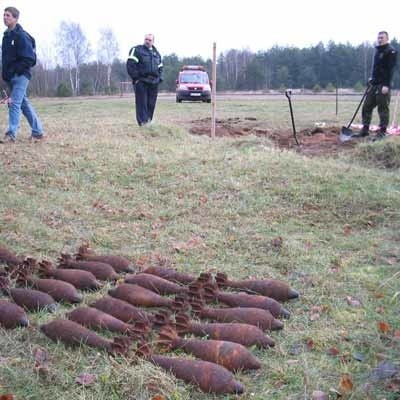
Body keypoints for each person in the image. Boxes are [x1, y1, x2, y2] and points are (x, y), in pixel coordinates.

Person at [1, 6, 43, 144]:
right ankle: (38, 132)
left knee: (14, 103)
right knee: (23, 104)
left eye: (8, 15)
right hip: (11, 77)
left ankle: (11, 134)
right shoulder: (6, 37)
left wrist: (16, 71)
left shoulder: (22, 36)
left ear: (15, 18)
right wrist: (6, 75)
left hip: (21, 76)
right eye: (4, 15)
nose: (5, 17)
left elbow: (29, 59)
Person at [355, 31, 397, 141]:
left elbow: (390, 70)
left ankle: (382, 132)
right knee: (367, 106)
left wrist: (387, 85)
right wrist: (371, 78)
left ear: (387, 38)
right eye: (378, 37)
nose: (379, 39)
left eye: (382, 37)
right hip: (374, 84)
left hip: (383, 85)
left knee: (382, 108)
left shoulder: (391, 51)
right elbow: (376, 68)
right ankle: (365, 129)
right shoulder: (377, 51)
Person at [126, 34, 163, 126]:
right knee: (142, 104)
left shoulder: (157, 54)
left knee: (151, 104)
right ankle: (143, 124)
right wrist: (136, 78)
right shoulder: (137, 50)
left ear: (153, 41)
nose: (147, 41)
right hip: (141, 81)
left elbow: (160, 68)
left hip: (154, 83)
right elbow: (130, 65)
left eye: (150, 40)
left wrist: (159, 79)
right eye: (146, 39)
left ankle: (148, 122)